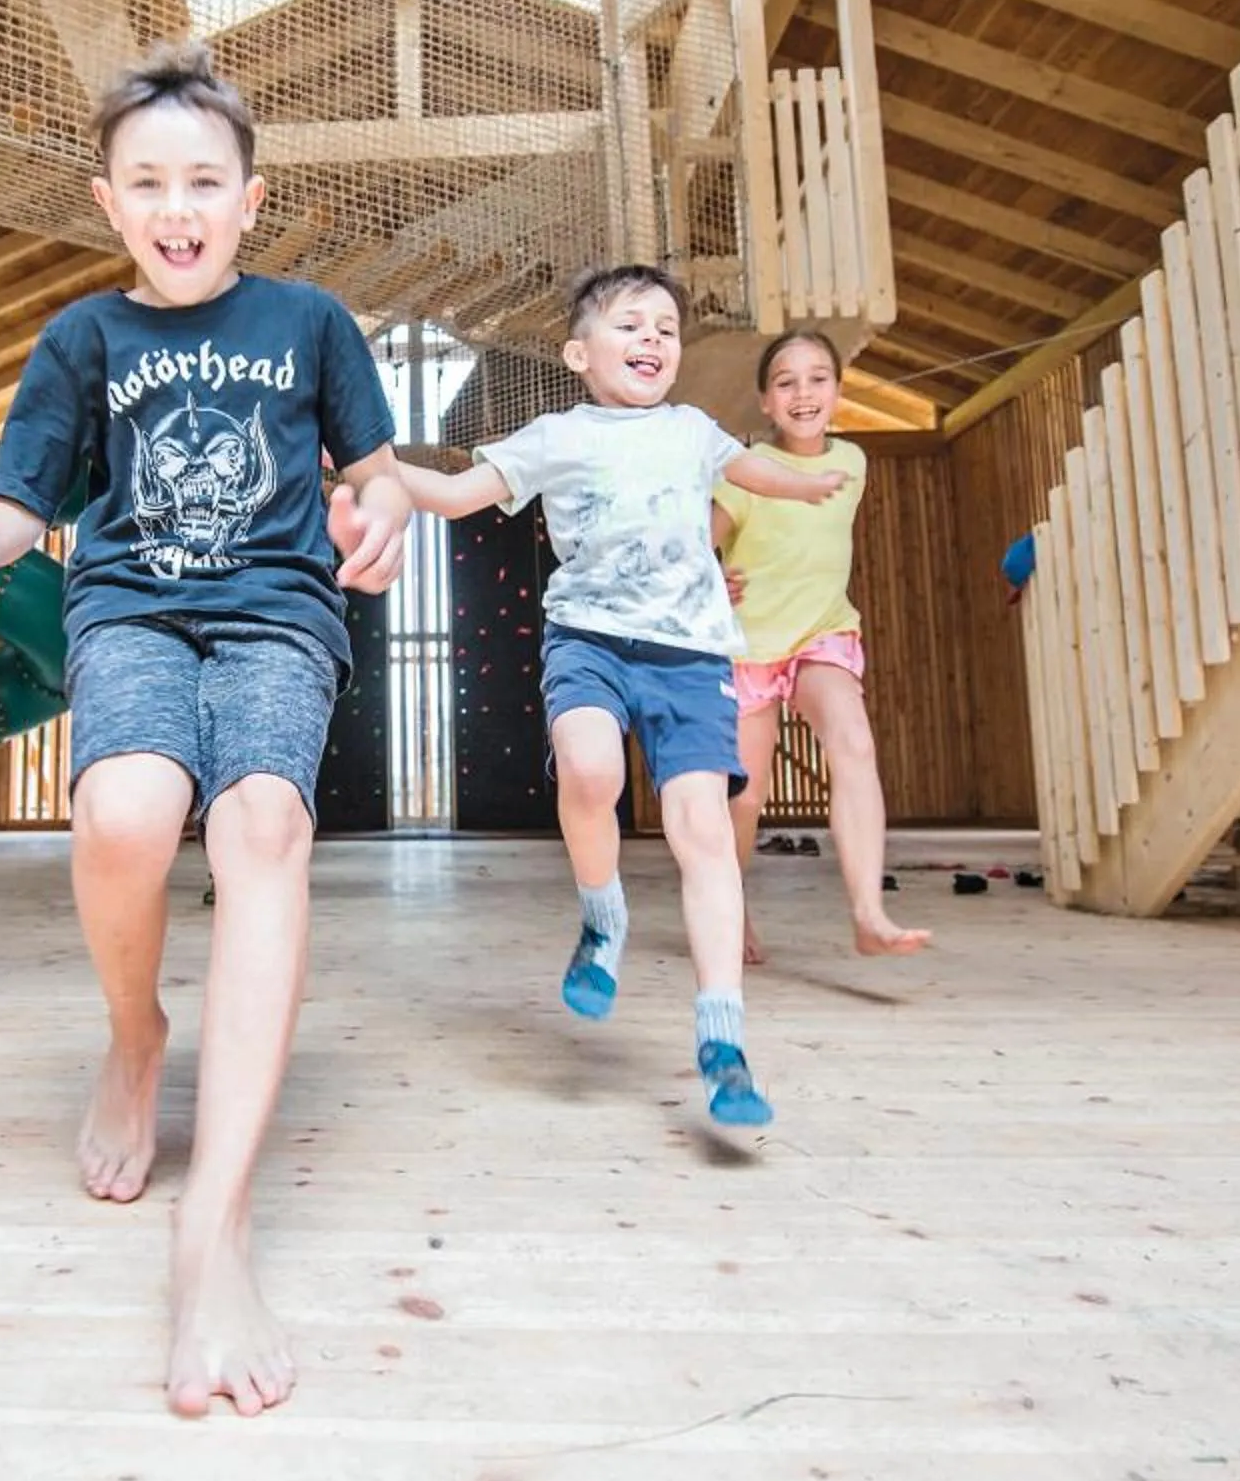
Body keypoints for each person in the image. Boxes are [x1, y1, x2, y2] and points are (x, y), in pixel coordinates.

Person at [0, 41, 413, 1420]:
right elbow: (18, 503)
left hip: (280, 615)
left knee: (262, 828)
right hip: (130, 615)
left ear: (250, 196)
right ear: (108, 201)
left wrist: (389, 507)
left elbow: (374, 472)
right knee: (123, 813)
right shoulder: (82, 339)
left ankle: (213, 1227)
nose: (180, 205)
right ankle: (133, 1037)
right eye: (150, 181)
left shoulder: (312, 323)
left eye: (206, 181)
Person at [391, 265, 844, 1128]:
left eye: (666, 329)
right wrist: (371, 466)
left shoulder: (692, 429)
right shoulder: (555, 436)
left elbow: (753, 471)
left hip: (689, 654)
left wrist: (809, 481)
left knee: (701, 831)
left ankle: (723, 1039)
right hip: (590, 643)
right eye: (630, 326)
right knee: (590, 773)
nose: (652, 341)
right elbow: (452, 497)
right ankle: (604, 920)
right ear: (577, 352)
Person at [714, 330, 931, 964]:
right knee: (746, 796)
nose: (802, 392)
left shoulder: (854, 464)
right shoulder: (746, 473)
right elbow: (700, 543)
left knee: (854, 743)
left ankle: (868, 912)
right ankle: (730, 911)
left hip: (821, 635)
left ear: (837, 391)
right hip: (748, 649)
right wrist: (707, 578)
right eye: (786, 381)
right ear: (764, 400)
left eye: (817, 378)